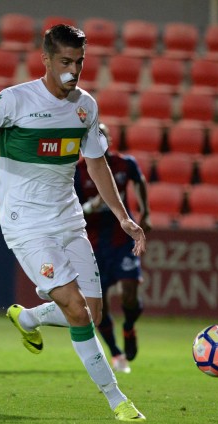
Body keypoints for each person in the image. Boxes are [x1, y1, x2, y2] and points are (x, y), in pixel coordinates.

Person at [0, 24, 147, 422]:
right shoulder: (14, 101)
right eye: (66, 62)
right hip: (26, 223)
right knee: (75, 308)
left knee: (94, 312)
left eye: (80, 62)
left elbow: (96, 162)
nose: (74, 70)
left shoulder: (85, 106)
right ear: (47, 60)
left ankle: (29, 316)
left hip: (69, 220)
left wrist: (124, 217)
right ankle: (117, 399)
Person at [74, 122, 152, 374]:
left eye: (103, 135)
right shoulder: (77, 172)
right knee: (100, 305)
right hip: (94, 243)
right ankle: (116, 353)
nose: (99, 139)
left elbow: (139, 181)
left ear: (108, 140)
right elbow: (71, 205)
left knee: (130, 290)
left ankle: (129, 325)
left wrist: (145, 212)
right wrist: (89, 208)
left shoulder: (124, 164)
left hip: (122, 239)